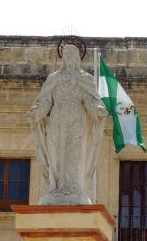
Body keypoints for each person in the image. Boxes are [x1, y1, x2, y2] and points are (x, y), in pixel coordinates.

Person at [26, 44, 108, 205]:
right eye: (67, 53)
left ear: (77, 58)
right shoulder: (53, 78)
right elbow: (45, 100)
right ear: (63, 57)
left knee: (75, 151)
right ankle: (56, 187)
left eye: (72, 53)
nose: (69, 56)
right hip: (57, 119)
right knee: (56, 151)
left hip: (77, 118)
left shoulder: (85, 78)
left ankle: (74, 187)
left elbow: (91, 99)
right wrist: (36, 112)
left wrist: (98, 110)